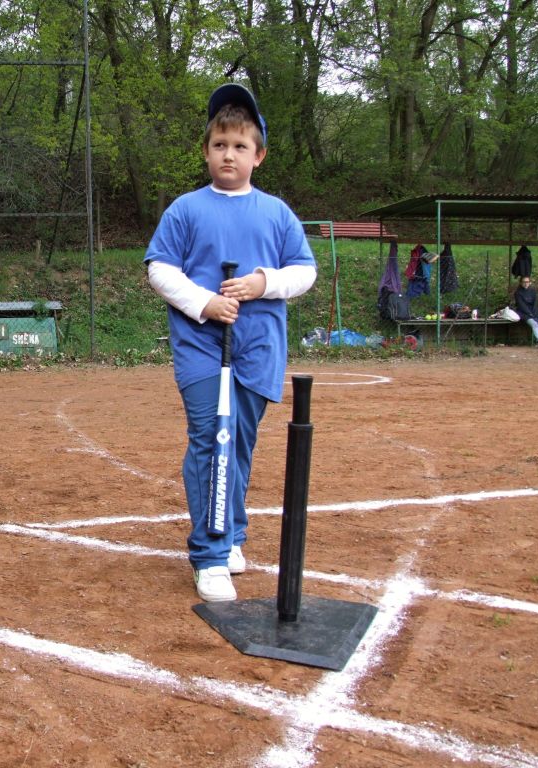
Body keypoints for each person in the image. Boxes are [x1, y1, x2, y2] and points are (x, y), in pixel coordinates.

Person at [144, 84, 317, 602]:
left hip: (258, 348)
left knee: (238, 442)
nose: (229, 154)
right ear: (206, 150)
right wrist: (205, 303)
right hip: (201, 349)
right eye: (220, 144)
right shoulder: (185, 209)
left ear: (258, 155)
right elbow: (160, 270)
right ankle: (211, 553)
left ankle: (232, 531)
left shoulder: (277, 213)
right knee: (210, 439)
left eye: (240, 146)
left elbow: (304, 271)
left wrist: (263, 282)